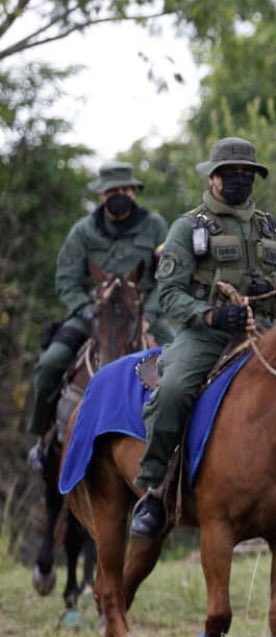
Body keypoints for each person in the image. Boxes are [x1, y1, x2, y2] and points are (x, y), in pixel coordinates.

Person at [130, 137, 276, 537]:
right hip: (205, 335)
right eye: (231, 173)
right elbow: (168, 293)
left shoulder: (268, 226)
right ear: (213, 177)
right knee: (172, 391)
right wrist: (211, 314)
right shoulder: (188, 227)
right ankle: (154, 489)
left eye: (247, 174)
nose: (239, 180)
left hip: (263, 333)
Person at [26, 161, 172, 469]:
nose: (120, 195)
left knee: (182, 361)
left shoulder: (156, 226)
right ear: (102, 196)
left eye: (125, 189)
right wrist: (87, 310)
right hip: (94, 312)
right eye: (113, 191)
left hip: (144, 311)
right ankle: (42, 439)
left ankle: (182, 440)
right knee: (49, 364)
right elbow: (66, 279)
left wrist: (152, 312)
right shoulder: (82, 232)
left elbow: (169, 275)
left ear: (133, 192)